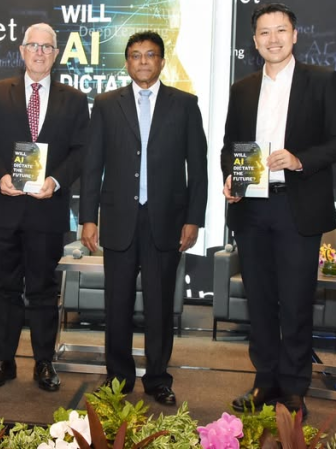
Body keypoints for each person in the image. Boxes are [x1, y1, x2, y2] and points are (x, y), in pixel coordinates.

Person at [221, 3, 336, 417]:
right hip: (252, 209)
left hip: (297, 207)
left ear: (294, 35)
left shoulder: (322, 80)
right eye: (264, 32)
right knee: (260, 301)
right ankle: (264, 382)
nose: (273, 39)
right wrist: (231, 179)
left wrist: (299, 160)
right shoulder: (242, 88)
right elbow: (230, 145)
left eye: (281, 30)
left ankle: (294, 387)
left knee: (296, 302)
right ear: (255, 40)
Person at [80, 31, 208, 405]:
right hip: (119, 219)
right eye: (135, 55)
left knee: (159, 306)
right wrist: (88, 218)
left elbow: (197, 167)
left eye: (150, 55)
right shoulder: (106, 104)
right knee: (117, 305)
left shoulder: (185, 104)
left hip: (166, 221)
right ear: (127, 63)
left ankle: (158, 379)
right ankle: (118, 377)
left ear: (162, 62)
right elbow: (92, 165)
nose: (143, 61)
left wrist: (194, 218)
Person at [0, 23, 89, 392]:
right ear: (22, 51)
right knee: (5, 286)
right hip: (4, 206)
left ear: (56, 54)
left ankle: (43, 362)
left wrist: (56, 181)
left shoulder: (74, 99)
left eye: (47, 47)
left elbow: (81, 151)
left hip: (47, 208)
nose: (40, 52)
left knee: (42, 288)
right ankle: (3, 361)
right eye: (33, 46)